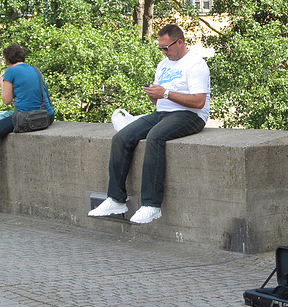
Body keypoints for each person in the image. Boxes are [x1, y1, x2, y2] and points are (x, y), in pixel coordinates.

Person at [89, 24, 210, 224]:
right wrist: (154, 96)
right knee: (121, 137)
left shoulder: (195, 64)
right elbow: (160, 99)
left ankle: (151, 205)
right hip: (163, 113)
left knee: (155, 137)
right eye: (160, 48)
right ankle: (116, 198)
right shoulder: (163, 65)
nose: (164, 52)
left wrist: (166, 93)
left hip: (190, 116)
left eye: (166, 47)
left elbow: (199, 102)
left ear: (179, 42)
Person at [0, 44, 54, 195]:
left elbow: (6, 100)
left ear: (7, 60)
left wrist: (1, 83)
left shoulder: (10, 72)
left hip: (26, 118)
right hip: (46, 116)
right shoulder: (35, 69)